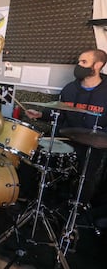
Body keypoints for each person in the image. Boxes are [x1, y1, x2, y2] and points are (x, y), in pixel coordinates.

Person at [26, 49, 107, 205]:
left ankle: (77, 207)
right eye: (79, 61)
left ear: (98, 65)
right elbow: (59, 113)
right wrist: (40, 115)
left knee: (88, 175)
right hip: (65, 136)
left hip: (94, 142)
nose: (78, 65)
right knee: (31, 151)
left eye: (84, 62)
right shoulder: (70, 88)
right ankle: (36, 199)